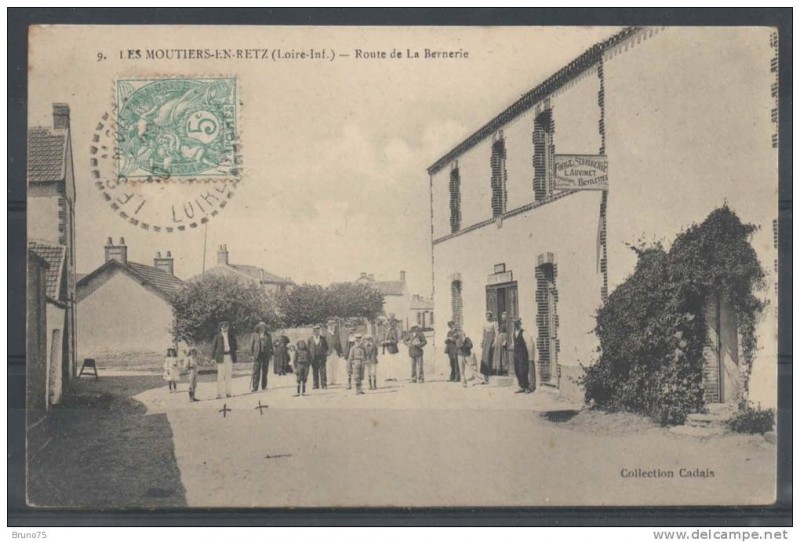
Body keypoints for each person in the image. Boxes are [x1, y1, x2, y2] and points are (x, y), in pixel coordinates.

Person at [210, 321, 237, 399]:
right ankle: (219, 394)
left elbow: (235, 347)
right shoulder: (217, 337)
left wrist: (233, 356)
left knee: (228, 375)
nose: (225, 328)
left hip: (229, 356)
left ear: (228, 327)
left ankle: (228, 393)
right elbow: (213, 348)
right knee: (220, 376)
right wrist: (212, 358)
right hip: (221, 357)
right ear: (220, 328)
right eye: (223, 327)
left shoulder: (231, 336)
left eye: (226, 326)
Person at [250, 321, 273, 392]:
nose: (262, 328)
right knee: (256, 371)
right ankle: (255, 387)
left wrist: (271, 354)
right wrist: (251, 355)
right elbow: (251, 345)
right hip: (257, 355)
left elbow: (271, 345)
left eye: (263, 326)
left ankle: (264, 386)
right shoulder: (255, 335)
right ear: (258, 327)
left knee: (265, 371)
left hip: (265, 354)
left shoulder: (268, 335)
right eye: (261, 326)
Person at [512, 318, 533, 393]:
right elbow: (514, 343)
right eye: (515, 324)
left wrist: (530, 355)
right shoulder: (514, 333)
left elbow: (529, 343)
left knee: (523, 370)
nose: (516, 325)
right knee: (517, 369)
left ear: (520, 324)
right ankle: (521, 386)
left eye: (517, 324)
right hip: (516, 353)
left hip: (522, 353)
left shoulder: (524, 333)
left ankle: (527, 387)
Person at [308, 325, 329, 390]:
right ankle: (315, 385)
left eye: (317, 330)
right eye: (314, 330)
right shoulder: (310, 339)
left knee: (323, 371)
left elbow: (326, 347)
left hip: (321, 357)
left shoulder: (323, 338)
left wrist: (324, 354)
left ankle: (324, 385)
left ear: (319, 331)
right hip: (313, 357)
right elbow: (308, 348)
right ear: (313, 331)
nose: (316, 332)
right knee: (314, 371)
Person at [480, 311, 498, 378]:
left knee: (489, 355)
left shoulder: (494, 323)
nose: (487, 317)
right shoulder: (484, 324)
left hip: (491, 338)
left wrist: (495, 341)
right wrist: (482, 341)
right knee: (485, 355)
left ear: (491, 316)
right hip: (486, 339)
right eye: (486, 316)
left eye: (489, 316)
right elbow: (483, 333)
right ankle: (485, 371)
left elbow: (496, 333)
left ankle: (490, 371)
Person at [493, 311, 510, 375]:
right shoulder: (500, 324)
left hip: (505, 338)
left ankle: (505, 369)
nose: (503, 318)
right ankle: (498, 369)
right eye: (502, 317)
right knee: (498, 354)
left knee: (504, 354)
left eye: (504, 317)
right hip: (499, 338)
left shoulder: (508, 324)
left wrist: (505, 340)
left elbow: (509, 332)